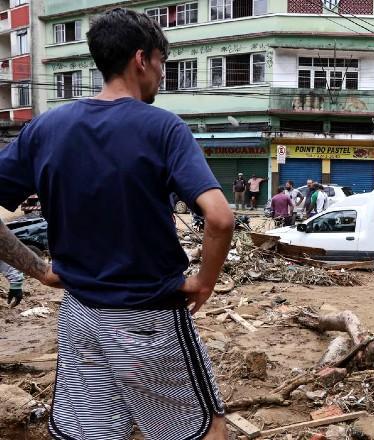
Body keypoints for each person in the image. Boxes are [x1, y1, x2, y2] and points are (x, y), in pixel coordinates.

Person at [0, 9, 234, 439]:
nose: (162, 76)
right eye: (163, 63)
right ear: (141, 60)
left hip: (80, 316)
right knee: (205, 429)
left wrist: (38, 270)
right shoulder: (163, 127)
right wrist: (204, 281)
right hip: (150, 319)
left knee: (89, 432)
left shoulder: (46, 128)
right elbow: (220, 217)